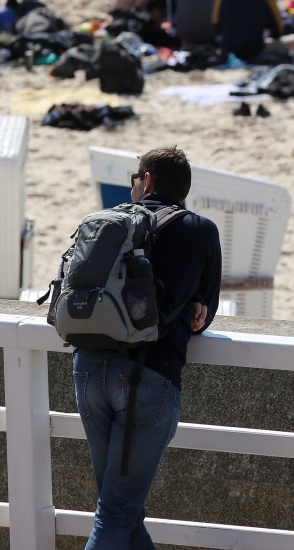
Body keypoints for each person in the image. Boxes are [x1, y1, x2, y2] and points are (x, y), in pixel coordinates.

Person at [74, 146, 221, 550]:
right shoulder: (200, 230)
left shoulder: (110, 222)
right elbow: (203, 318)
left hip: (87, 368)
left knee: (121, 507)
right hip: (148, 376)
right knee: (118, 511)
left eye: (135, 179)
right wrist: (195, 308)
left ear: (148, 181)